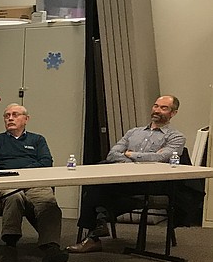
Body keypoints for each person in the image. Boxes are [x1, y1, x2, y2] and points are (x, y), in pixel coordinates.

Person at [68, 96, 185, 253]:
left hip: (150, 182)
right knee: (97, 178)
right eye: (156, 106)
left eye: (164, 108)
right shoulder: (133, 132)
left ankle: (98, 226)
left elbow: (161, 158)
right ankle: (96, 231)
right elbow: (112, 154)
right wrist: (134, 161)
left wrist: (130, 154)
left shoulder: (176, 137)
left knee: (97, 187)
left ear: (173, 113)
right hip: (123, 178)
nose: (157, 110)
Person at [0, 103, 69, 262]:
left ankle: (51, 248)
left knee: (48, 201)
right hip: (6, 182)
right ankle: (10, 246)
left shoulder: (37, 140)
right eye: (7, 115)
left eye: (15, 115)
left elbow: (46, 162)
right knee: (14, 197)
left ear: (26, 119)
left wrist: (24, 172)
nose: (10, 118)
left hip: (33, 182)